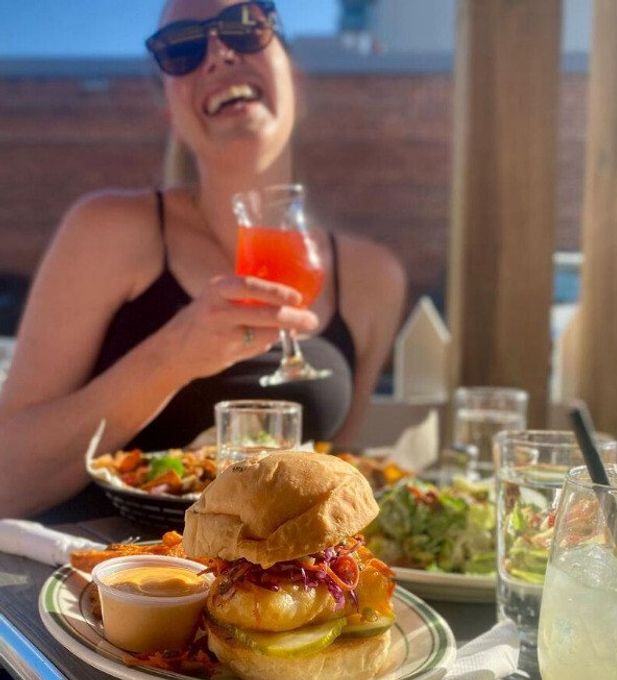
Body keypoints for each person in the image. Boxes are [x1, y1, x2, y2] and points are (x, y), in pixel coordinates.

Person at [0, 0, 406, 518]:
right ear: (171, 113)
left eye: (244, 28)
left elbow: (341, 491)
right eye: (182, 48)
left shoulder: (374, 279)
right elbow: (7, 480)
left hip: (268, 592)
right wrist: (174, 355)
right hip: (99, 585)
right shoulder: (108, 230)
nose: (216, 53)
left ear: (296, 82)